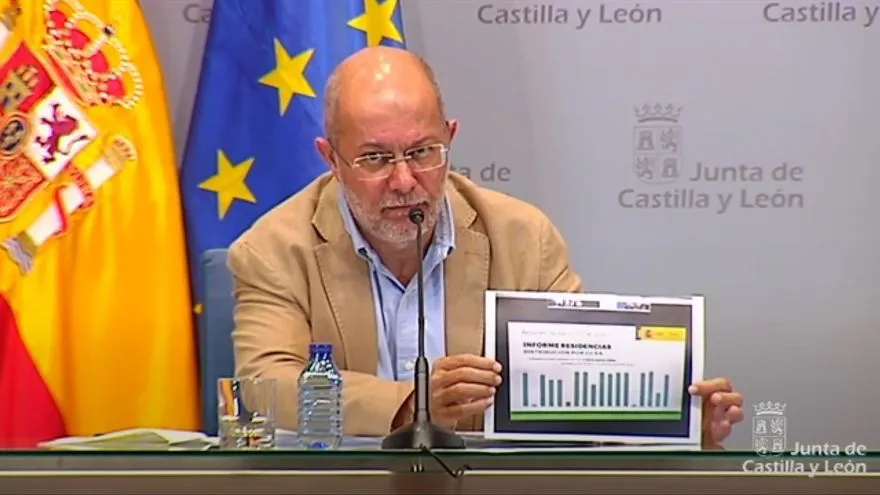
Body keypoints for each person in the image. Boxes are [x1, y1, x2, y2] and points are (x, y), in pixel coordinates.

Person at [227, 46, 744, 448]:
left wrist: (675, 426)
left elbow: (577, 385)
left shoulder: (523, 237)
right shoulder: (273, 248)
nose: (404, 181)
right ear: (331, 159)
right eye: (375, 159)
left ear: (450, 137)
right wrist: (411, 406)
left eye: (423, 152)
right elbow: (268, 384)